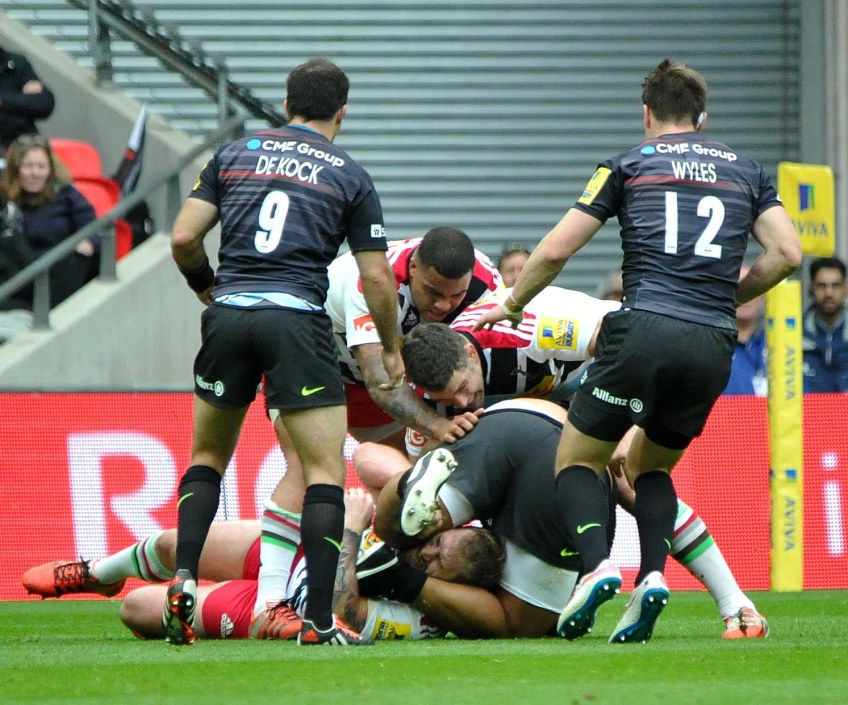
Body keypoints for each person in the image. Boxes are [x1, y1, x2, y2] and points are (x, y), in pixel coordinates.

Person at [473, 58, 802, 643]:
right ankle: (652, 576)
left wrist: (513, 303)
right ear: (702, 118)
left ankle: (598, 566)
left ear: (646, 112)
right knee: (650, 467)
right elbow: (788, 255)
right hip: (712, 341)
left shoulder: (627, 165)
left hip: (645, 327)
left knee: (578, 460)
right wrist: (724, 296)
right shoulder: (747, 172)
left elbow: (557, 249)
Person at [164, 58, 404, 647]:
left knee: (207, 457)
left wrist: (207, 288)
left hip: (228, 316)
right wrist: (392, 346)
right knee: (323, 471)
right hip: (295, 320)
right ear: (342, 113)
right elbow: (376, 277)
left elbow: (184, 237)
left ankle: (184, 578)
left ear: (287, 102)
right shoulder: (348, 174)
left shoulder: (233, 155)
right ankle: (318, 620)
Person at [375, 398, 769, 640]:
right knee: (634, 485)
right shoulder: (501, 328)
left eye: (427, 553)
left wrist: (405, 581)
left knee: (517, 624)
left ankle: (599, 566)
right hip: (523, 414)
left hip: (526, 455)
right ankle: (732, 600)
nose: (430, 553)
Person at [21, 490, 506, 642]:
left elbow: (343, 613)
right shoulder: (420, 525)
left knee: (138, 609)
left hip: (285, 608)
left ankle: (118, 590)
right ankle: (97, 574)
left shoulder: (424, 620)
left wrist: (352, 533)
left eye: (439, 562)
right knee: (173, 544)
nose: (426, 553)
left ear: (456, 586)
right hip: (292, 552)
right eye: (437, 543)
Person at [0, 134, 98, 309]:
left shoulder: (65, 194)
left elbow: (93, 227)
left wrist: (89, 242)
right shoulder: (4, 198)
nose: (35, 173)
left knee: (76, 259)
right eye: (28, 166)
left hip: (57, 271)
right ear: (16, 169)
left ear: (50, 170)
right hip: (18, 274)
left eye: (41, 167)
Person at [0, 45, 55, 161]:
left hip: (21, 146)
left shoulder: (15, 63)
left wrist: (4, 101)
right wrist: (21, 97)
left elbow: (44, 103)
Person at [803, 256, 848, 393]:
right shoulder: (794, 334)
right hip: (807, 407)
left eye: (836, 285)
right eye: (822, 286)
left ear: (845, 289)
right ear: (811, 288)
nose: (829, 293)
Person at [723, 266, 767, 395]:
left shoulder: (779, 345)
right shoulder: (709, 347)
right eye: (736, 288)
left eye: (751, 289)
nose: (744, 296)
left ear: (762, 297)